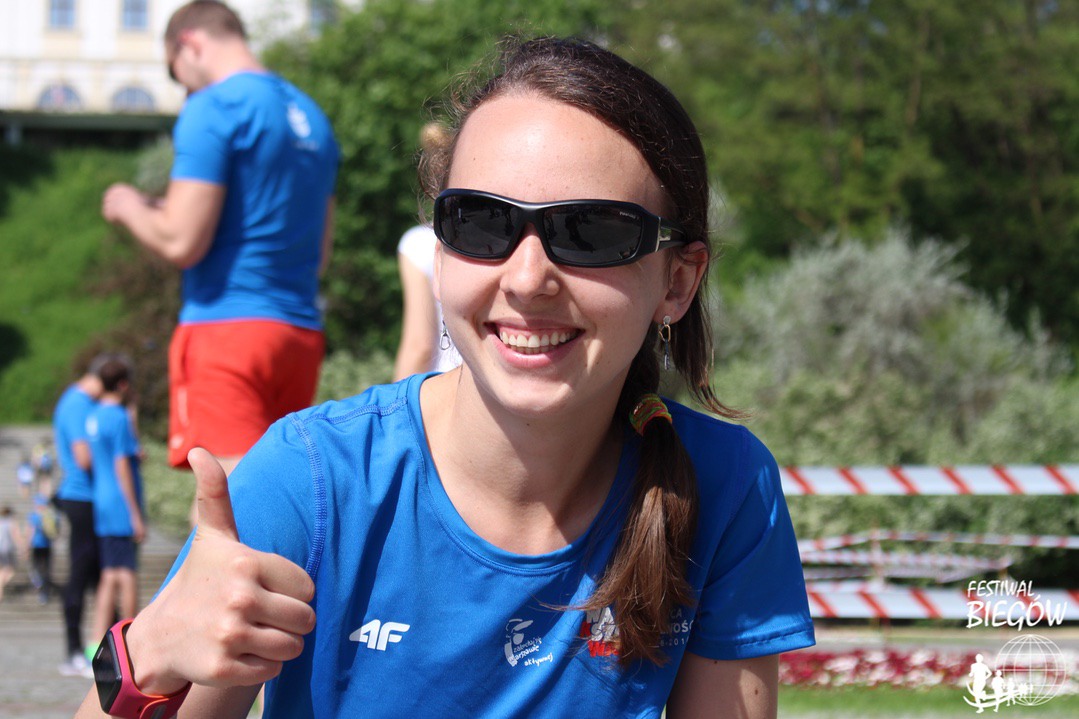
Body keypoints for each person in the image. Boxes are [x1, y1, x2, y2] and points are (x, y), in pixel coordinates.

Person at [76, 37, 814, 718]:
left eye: (591, 232)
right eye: (481, 223)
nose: (526, 278)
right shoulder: (313, 481)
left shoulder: (723, 486)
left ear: (677, 282)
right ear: (440, 249)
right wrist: (151, 652)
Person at [100, 0, 340, 481]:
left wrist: (126, 205)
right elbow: (319, 256)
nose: (184, 89)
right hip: (298, 335)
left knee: (222, 502)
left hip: (227, 330)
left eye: (176, 74)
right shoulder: (311, 116)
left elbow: (180, 240)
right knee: (279, 498)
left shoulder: (214, 105)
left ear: (188, 44)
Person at [85, 357, 146, 652]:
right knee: (127, 572)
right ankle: (128, 645)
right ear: (123, 384)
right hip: (121, 502)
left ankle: (95, 643)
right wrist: (135, 514)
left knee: (109, 573)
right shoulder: (119, 417)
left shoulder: (93, 415)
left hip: (101, 498)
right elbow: (122, 464)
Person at [393, 123, 462, 379]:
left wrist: (397, 399)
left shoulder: (417, 243)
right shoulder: (499, 236)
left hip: (441, 386)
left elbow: (420, 346)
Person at [54, 355, 108, 677]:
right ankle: (74, 651)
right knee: (82, 571)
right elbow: (83, 457)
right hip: (81, 496)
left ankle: (98, 649)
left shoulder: (79, 402)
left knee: (99, 575)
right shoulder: (77, 404)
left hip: (86, 497)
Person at [27, 477, 60, 604]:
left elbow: (31, 531)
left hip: (36, 545)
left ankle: (39, 583)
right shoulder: (51, 515)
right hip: (47, 545)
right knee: (46, 569)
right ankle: (44, 593)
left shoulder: (34, 516)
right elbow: (56, 530)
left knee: (36, 567)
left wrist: (27, 545)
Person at [0, 504, 23, 603]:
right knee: (10, 569)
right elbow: (16, 536)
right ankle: (0, 586)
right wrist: (22, 548)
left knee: (3, 570)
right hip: (7, 549)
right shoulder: (11, 522)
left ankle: (0, 590)